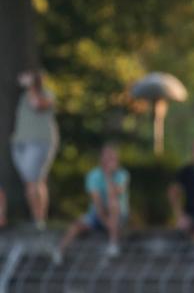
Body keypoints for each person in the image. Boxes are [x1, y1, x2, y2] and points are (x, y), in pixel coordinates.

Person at [55, 144, 128, 263]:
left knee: (113, 204)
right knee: (77, 224)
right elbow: (96, 202)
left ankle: (113, 244)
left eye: (111, 157)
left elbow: (114, 194)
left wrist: (108, 177)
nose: (109, 160)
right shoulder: (93, 175)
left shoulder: (122, 175)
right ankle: (59, 250)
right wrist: (106, 222)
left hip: (118, 215)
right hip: (98, 214)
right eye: (106, 156)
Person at [10, 70, 58, 230]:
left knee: (33, 181)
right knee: (34, 182)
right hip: (20, 144)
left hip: (39, 143)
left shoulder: (48, 95)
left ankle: (38, 221)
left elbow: (37, 105)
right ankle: (38, 219)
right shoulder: (23, 96)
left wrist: (30, 86)